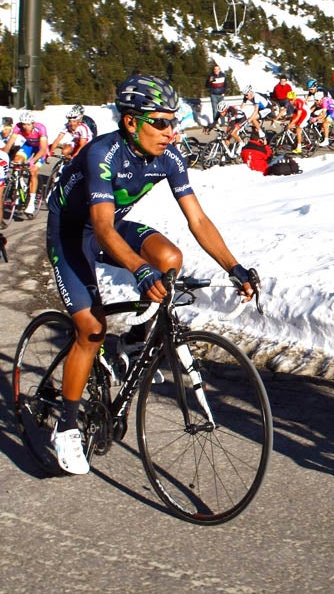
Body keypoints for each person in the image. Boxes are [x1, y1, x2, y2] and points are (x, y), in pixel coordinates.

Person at [45, 73, 257, 475]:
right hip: (72, 233)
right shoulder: (101, 154)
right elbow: (102, 229)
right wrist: (139, 270)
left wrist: (234, 267)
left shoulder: (170, 157)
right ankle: (67, 426)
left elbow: (198, 219)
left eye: (173, 122)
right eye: (160, 122)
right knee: (91, 329)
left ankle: (133, 340)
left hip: (108, 227)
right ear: (131, 122)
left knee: (170, 258)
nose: (170, 131)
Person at [3, 111, 49, 216]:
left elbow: (43, 149)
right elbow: (9, 145)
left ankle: (31, 202)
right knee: (17, 160)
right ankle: (19, 184)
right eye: (23, 124)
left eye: (28, 124)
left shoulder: (41, 128)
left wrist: (32, 161)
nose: (25, 127)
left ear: (33, 123)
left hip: (40, 149)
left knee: (33, 171)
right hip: (28, 146)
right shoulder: (18, 127)